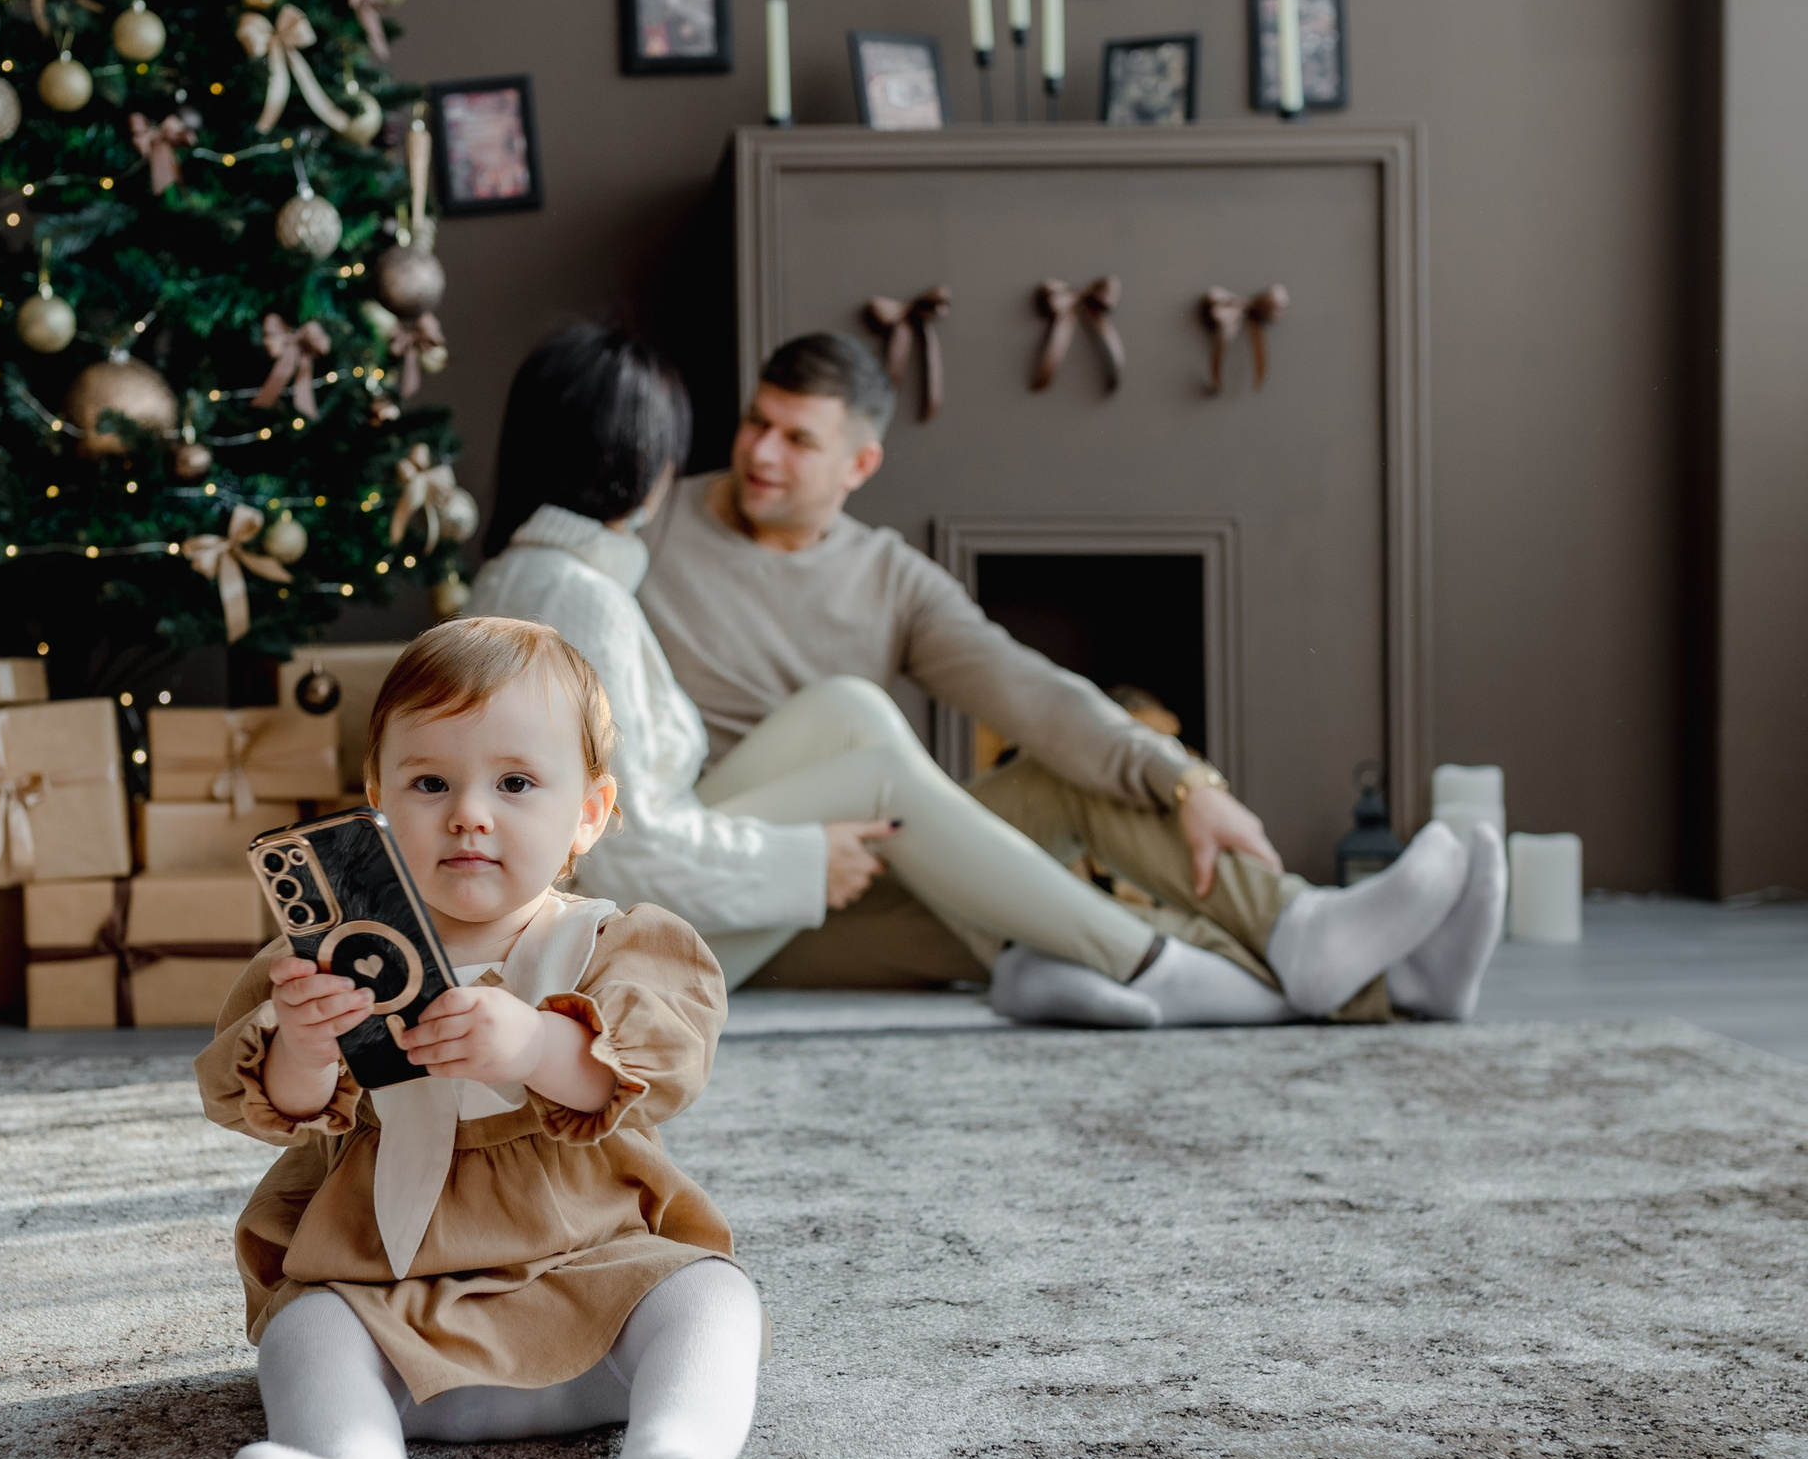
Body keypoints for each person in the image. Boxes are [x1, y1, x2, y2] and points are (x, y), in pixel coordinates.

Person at [468, 324, 1494, 1027]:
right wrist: (788, 857)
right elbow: (616, 818)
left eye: (797, 438)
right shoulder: (636, 537)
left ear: (858, 465)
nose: (760, 453)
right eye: (753, 423)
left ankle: (1328, 946)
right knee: (863, 726)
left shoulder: (885, 578)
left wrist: (1188, 780)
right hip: (737, 880)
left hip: (850, 865)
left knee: (1039, 773)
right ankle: (1170, 961)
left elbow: (1031, 690)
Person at [196, 618, 761, 1459]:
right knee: (305, 1330)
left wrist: (539, 1040)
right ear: (376, 806)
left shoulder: (614, 945)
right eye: (429, 784)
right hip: (396, 1304)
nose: (468, 814)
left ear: (589, 812)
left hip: (588, 1293)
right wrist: (306, 1045)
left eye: (515, 783)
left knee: (712, 1299)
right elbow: (272, 1108)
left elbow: (655, 1071)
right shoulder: (324, 964)